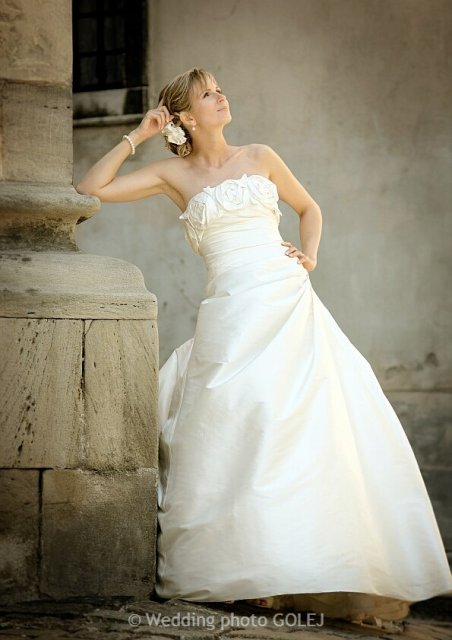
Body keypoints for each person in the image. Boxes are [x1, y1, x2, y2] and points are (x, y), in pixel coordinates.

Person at [76, 67, 452, 634]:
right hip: (229, 311)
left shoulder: (260, 155)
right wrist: (139, 134)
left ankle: (320, 562)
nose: (221, 96)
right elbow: (90, 189)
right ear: (185, 117)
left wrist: (310, 255)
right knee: (239, 427)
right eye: (207, 93)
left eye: (219, 88)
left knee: (305, 425)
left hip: (286, 299)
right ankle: (245, 571)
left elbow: (310, 208)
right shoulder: (171, 174)